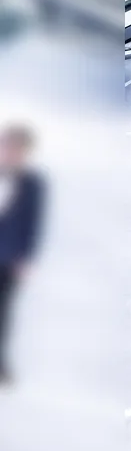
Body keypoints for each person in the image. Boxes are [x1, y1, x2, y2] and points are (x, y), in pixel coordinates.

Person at [0, 125, 42, 383]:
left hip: (8, 259)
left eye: (19, 149)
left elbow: (34, 222)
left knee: (4, 312)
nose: (13, 153)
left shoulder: (33, 184)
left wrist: (26, 257)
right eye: (10, 147)